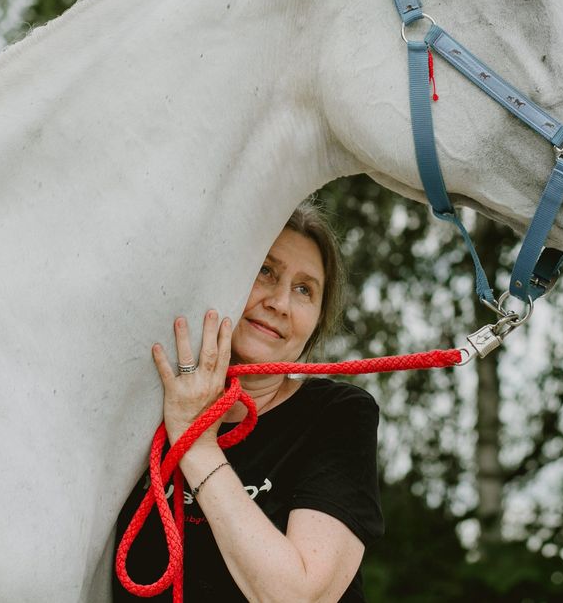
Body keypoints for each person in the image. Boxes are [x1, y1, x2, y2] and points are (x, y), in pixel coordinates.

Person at [113, 202, 383, 602]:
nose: (280, 303)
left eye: (304, 289)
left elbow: (300, 596)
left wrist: (197, 443)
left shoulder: (339, 414)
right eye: (265, 271)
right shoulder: (144, 403)